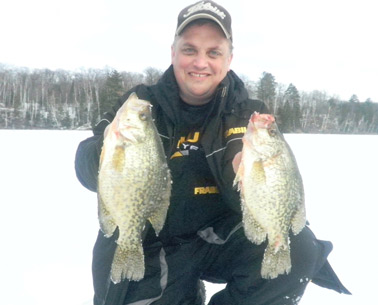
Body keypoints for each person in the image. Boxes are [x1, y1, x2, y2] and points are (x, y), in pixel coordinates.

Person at [75, 1, 351, 304]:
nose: (200, 62)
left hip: (218, 237)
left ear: (229, 59)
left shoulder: (249, 115)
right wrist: (107, 158)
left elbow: (269, 196)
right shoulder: (139, 105)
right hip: (151, 238)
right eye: (190, 50)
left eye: (213, 52)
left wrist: (241, 178)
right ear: (173, 53)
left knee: (296, 247)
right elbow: (87, 166)